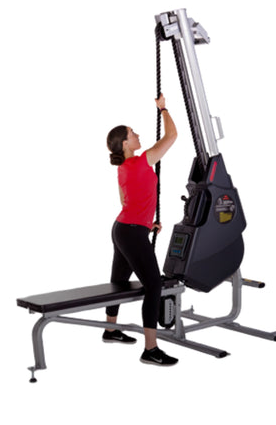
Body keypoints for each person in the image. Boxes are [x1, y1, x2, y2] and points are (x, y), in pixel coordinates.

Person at [104, 93, 178, 366]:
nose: (137, 135)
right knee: (154, 285)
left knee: (119, 283)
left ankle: (110, 330)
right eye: (132, 133)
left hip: (124, 229)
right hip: (131, 232)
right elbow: (172, 136)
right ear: (125, 144)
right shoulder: (141, 160)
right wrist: (163, 109)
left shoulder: (124, 167)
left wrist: (147, 223)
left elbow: (126, 200)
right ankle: (150, 349)